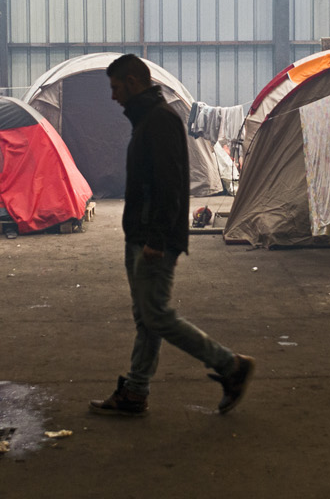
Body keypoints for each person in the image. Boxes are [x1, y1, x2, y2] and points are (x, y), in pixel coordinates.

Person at [91, 54, 254, 418]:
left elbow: (170, 187)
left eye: (116, 88)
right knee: (146, 317)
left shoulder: (160, 121)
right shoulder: (148, 119)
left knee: (157, 316)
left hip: (152, 238)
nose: (114, 96)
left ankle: (231, 366)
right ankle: (135, 391)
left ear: (133, 82)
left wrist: (157, 240)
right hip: (140, 233)